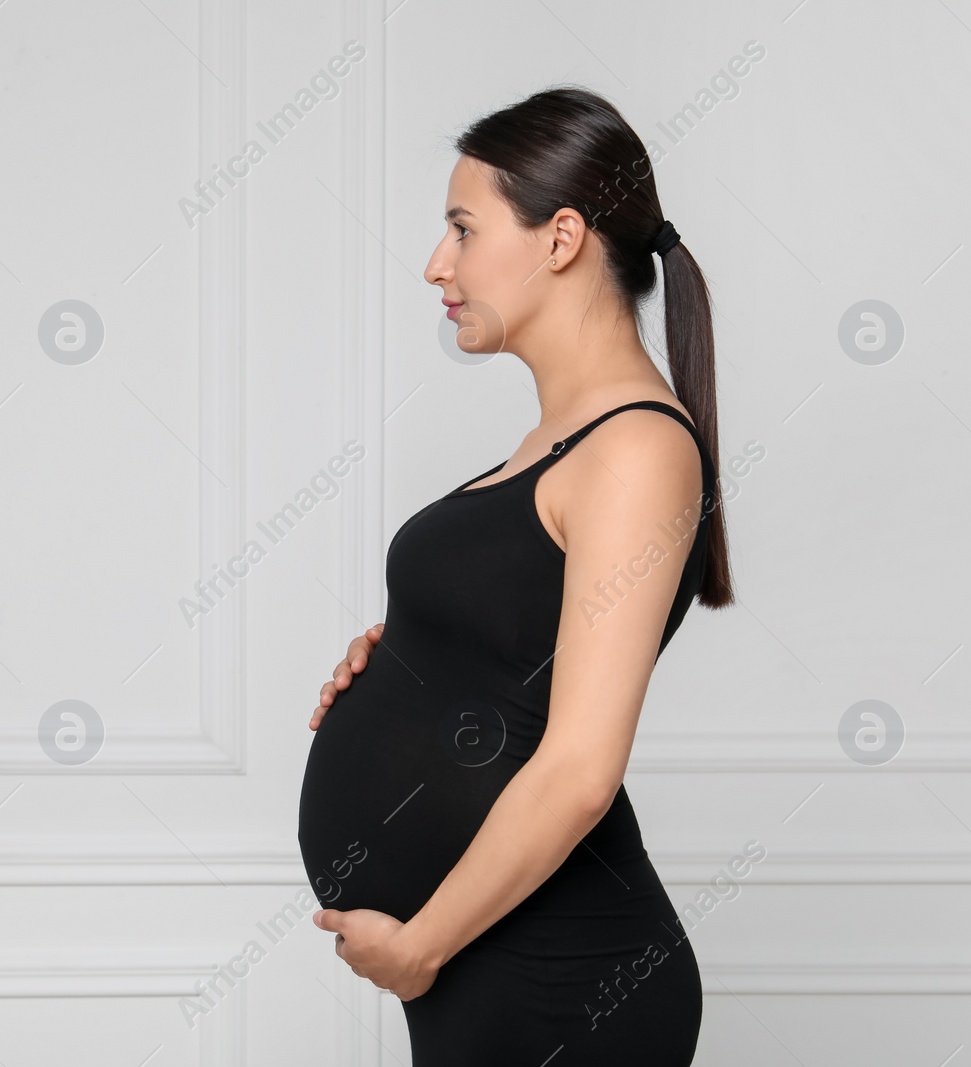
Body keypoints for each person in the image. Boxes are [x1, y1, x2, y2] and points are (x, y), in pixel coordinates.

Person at [296, 85, 734, 1065]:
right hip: (494, 973)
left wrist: (419, 944)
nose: (435, 266)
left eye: (461, 228)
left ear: (561, 236)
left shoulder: (635, 449)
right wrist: (409, 665)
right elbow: (512, 650)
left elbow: (580, 769)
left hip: (561, 978)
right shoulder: (556, 442)